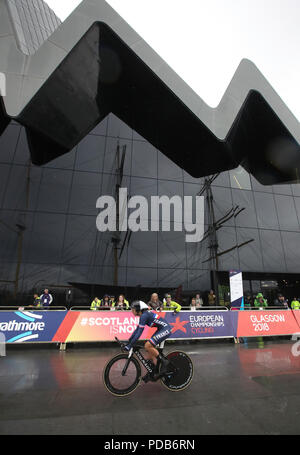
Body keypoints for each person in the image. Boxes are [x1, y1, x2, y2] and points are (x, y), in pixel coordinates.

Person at [124, 301, 172, 381]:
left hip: (165, 329)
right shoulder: (143, 315)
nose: (131, 311)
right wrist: (128, 342)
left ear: (138, 309)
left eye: (133, 309)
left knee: (147, 345)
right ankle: (153, 372)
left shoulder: (144, 316)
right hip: (161, 329)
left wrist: (129, 345)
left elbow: (139, 333)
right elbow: (137, 330)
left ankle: (164, 362)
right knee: (149, 353)